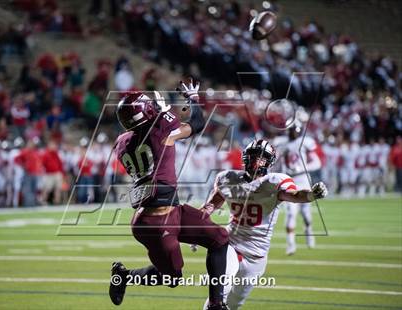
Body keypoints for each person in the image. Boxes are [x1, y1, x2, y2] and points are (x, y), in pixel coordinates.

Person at [110, 79, 230, 310]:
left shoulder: (122, 142)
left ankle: (216, 304)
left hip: (171, 210)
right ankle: (123, 276)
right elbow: (196, 122)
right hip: (154, 223)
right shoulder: (159, 132)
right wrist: (193, 99)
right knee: (172, 277)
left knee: (220, 239)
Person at [199, 139, 328, 309]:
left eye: (261, 158)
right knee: (220, 291)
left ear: (269, 161)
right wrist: (197, 226)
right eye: (253, 157)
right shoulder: (228, 178)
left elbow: (295, 195)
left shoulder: (274, 182)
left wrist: (311, 195)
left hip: (257, 254)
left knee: (234, 303)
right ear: (245, 158)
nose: (256, 161)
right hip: (231, 244)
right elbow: (211, 205)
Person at [282, 122, 322, 255]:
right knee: (290, 214)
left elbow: (317, 162)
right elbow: (280, 165)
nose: (292, 132)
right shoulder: (284, 145)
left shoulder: (305, 142)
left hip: (304, 180)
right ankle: (291, 244)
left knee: (306, 215)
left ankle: (309, 232)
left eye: (294, 130)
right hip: (290, 182)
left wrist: (301, 168)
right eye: (290, 130)